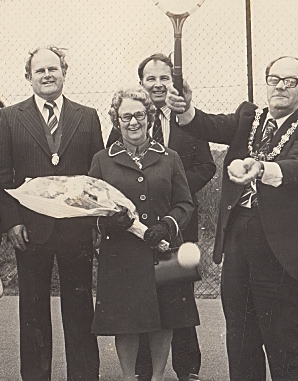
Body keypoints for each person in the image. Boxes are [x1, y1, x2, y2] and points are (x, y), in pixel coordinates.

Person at [166, 56, 298, 381]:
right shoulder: (248, 116)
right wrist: (185, 108)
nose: (281, 85)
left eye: (291, 81)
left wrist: (263, 168)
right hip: (239, 241)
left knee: (287, 344)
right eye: (274, 78)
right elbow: (206, 124)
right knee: (241, 340)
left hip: (286, 248)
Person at [0, 46, 103, 381]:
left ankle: (84, 375)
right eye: (39, 71)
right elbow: (1, 176)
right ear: (29, 77)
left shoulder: (87, 116)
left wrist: (96, 219)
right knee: (33, 310)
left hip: (76, 228)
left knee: (80, 308)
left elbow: (97, 174)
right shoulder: (11, 117)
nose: (47, 75)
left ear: (64, 73)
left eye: (53, 69)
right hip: (31, 230)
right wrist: (12, 221)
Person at [107, 53, 215, 381]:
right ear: (141, 84)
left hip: (177, 224)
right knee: (140, 297)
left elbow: (207, 166)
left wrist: (170, 189)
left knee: (176, 297)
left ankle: (188, 369)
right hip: (136, 231)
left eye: (164, 78)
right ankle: (142, 371)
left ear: (174, 82)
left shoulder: (189, 120)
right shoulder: (127, 121)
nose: (158, 84)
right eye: (150, 78)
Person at [90, 86, 195, 381]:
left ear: (149, 117)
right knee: (127, 323)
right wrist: (107, 223)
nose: (133, 122)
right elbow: (92, 207)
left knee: (165, 318)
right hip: (121, 252)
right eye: (126, 117)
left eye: (139, 115)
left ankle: (158, 377)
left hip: (164, 251)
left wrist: (167, 226)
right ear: (116, 120)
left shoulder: (170, 157)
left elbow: (185, 203)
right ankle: (128, 377)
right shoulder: (102, 160)